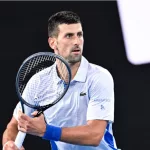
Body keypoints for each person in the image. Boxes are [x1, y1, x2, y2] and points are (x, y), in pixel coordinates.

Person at [2, 11, 118, 150]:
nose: (76, 42)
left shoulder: (99, 77)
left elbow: (94, 135)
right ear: (53, 42)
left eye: (79, 35)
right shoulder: (39, 82)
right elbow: (15, 125)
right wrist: (8, 144)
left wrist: (46, 131)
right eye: (69, 36)